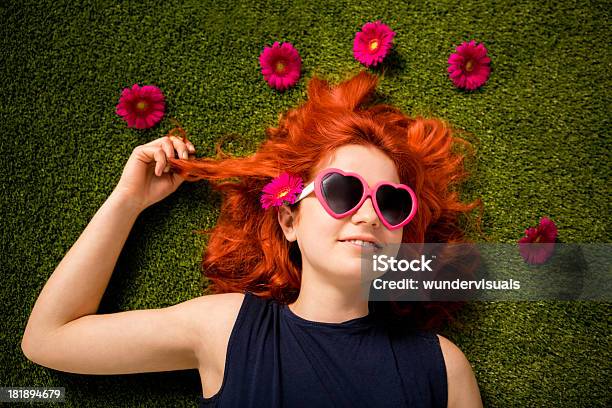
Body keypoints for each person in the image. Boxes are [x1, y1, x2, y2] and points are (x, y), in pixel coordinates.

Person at [21, 70, 483, 407]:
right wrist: (127, 201)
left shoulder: (443, 369)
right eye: (342, 191)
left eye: (392, 202)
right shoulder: (227, 329)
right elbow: (48, 339)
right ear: (289, 221)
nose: (369, 214)